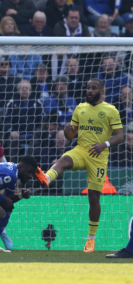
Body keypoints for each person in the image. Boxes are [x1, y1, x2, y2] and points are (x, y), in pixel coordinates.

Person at [35, 78, 124, 253]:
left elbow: (119, 136)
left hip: (98, 156)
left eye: (93, 88)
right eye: (87, 88)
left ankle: (91, 239)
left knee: (93, 198)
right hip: (81, 149)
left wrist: (104, 144)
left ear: (101, 91)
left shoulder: (110, 110)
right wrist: (68, 130)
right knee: (63, 160)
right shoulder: (80, 108)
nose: (89, 91)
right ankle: (46, 178)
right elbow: (70, 136)